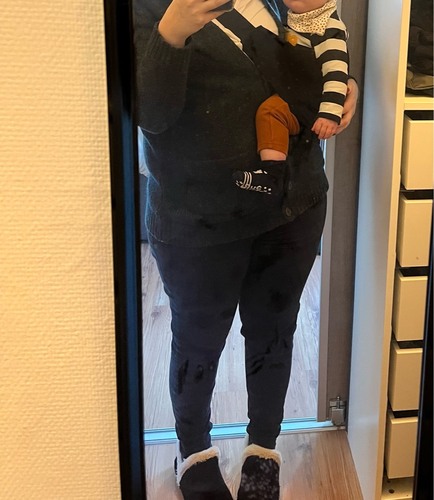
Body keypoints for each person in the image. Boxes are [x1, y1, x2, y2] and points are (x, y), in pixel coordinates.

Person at [133, 1, 358, 499]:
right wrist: (174, 29)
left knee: (274, 331)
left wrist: (341, 86)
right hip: (199, 220)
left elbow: (311, 49)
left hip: (293, 205)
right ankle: (193, 451)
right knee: (198, 344)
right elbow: (149, 114)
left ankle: (264, 448)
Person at [234, 0, 349, 195]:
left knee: (271, 113)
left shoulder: (327, 29)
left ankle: (274, 174)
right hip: (296, 94)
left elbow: (336, 73)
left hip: (306, 104)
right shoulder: (301, 18)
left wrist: (330, 114)